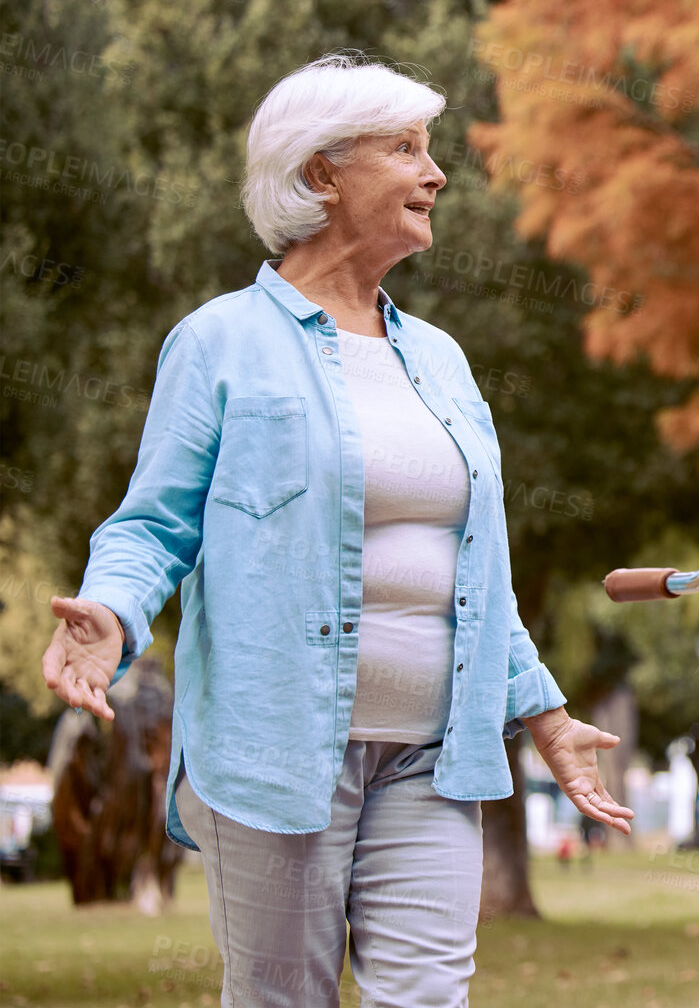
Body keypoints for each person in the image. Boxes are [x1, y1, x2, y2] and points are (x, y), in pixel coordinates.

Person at [40, 54, 633, 1007]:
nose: (434, 174)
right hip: (274, 752)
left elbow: (475, 574)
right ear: (322, 174)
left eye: (429, 151)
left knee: (428, 996)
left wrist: (546, 714)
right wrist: (110, 612)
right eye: (405, 150)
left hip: (433, 757)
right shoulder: (219, 341)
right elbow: (152, 524)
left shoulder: (439, 360)